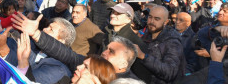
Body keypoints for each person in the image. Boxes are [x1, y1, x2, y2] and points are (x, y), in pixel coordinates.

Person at [11, 12, 139, 80]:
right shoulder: (88, 63)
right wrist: (36, 34)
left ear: (123, 64)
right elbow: (65, 53)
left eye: (111, 52)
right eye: (106, 49)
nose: (104, 53)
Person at [136, 6, 185, 84]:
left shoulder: (172, 41)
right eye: (150, 17)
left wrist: (143, 56)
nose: (151, 21)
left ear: (165, 22)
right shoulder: (145, 35)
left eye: (157, 19)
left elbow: (170, 72)